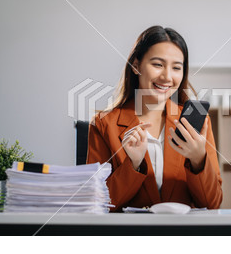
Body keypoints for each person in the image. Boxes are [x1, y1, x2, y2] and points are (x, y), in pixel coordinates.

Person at [87, 26, 222, 212]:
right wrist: (133, 165)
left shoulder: (196, 122)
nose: (167, 76)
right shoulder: (103, 124)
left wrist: (198, 160)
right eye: (158, 64)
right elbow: (97, 204)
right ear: (136, 65)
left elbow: (212, 204)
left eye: (176, 68)